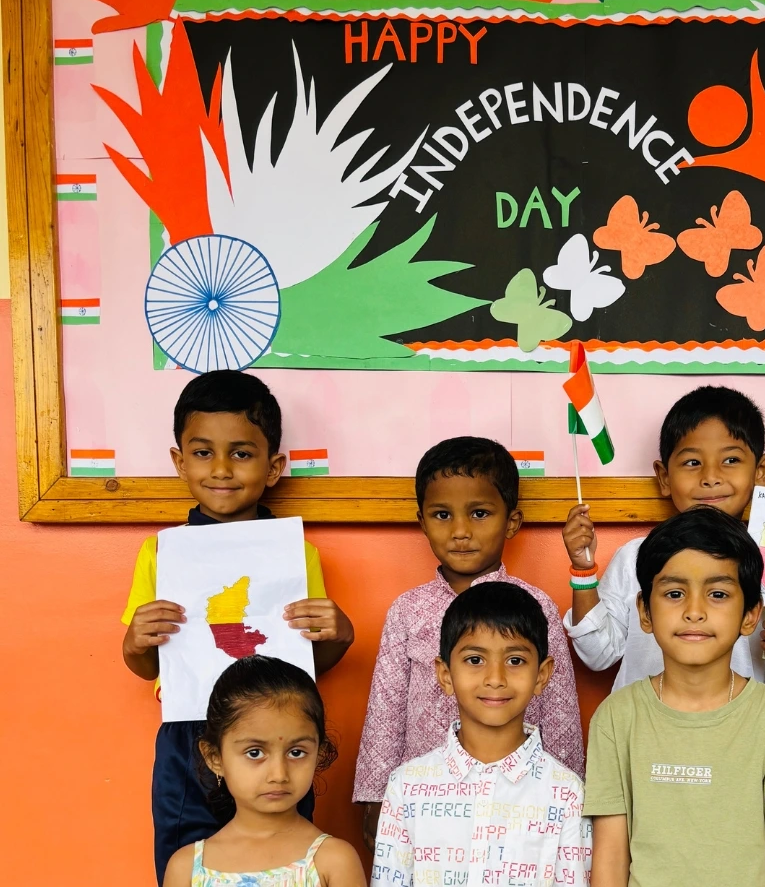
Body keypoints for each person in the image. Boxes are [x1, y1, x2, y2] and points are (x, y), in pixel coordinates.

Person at [120, 370, 355, 885]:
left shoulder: (298, 555)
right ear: (179, 461)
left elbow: (306, 664)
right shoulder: (161, 553)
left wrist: (339, 636)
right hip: (190, 732)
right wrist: (136, 641)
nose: (222, 469)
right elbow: (145, 665)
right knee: (187, 858)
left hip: (276, 730)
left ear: (274, 467)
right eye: (203, 453)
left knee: (286, 852)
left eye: (242, 454)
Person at [354, 437, 584, 848]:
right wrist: (375, 796)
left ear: (511, 521)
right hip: (425, 799)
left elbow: (559, 709)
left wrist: (570, 791)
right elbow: (385, 711)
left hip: (522, 800)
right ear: (422, 521)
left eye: (479, 513)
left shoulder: (537, 607)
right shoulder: (407, 610)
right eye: (442, 514)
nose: (460, 532)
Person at [585, 506, 765, 887]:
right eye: (674, 593)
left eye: (718, 594)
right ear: (645, 612)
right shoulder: (615, 719)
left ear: (750, 615)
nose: (694, 611)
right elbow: (610, 857)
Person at [562, 386, 765, 703]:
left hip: (739, 732)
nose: (710, 477)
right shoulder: (635, 558)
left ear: (760, 471)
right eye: (692, 462)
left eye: (731, 459)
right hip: (646, 727)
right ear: (664, 476)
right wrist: (583, 571)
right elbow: (597, 653)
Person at [372, 582, 591, 886]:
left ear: (542, 675)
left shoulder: (566, 793)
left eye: (515, 660)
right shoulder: (407, 786)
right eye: (475, 660)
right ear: (445, 675)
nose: (495, 678)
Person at [162, 656, 365, 887]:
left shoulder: (333, 861)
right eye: (255, 753)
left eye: (296, 752)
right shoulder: (186, 868)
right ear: (215, 757)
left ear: (319, 753)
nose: (279, 775)